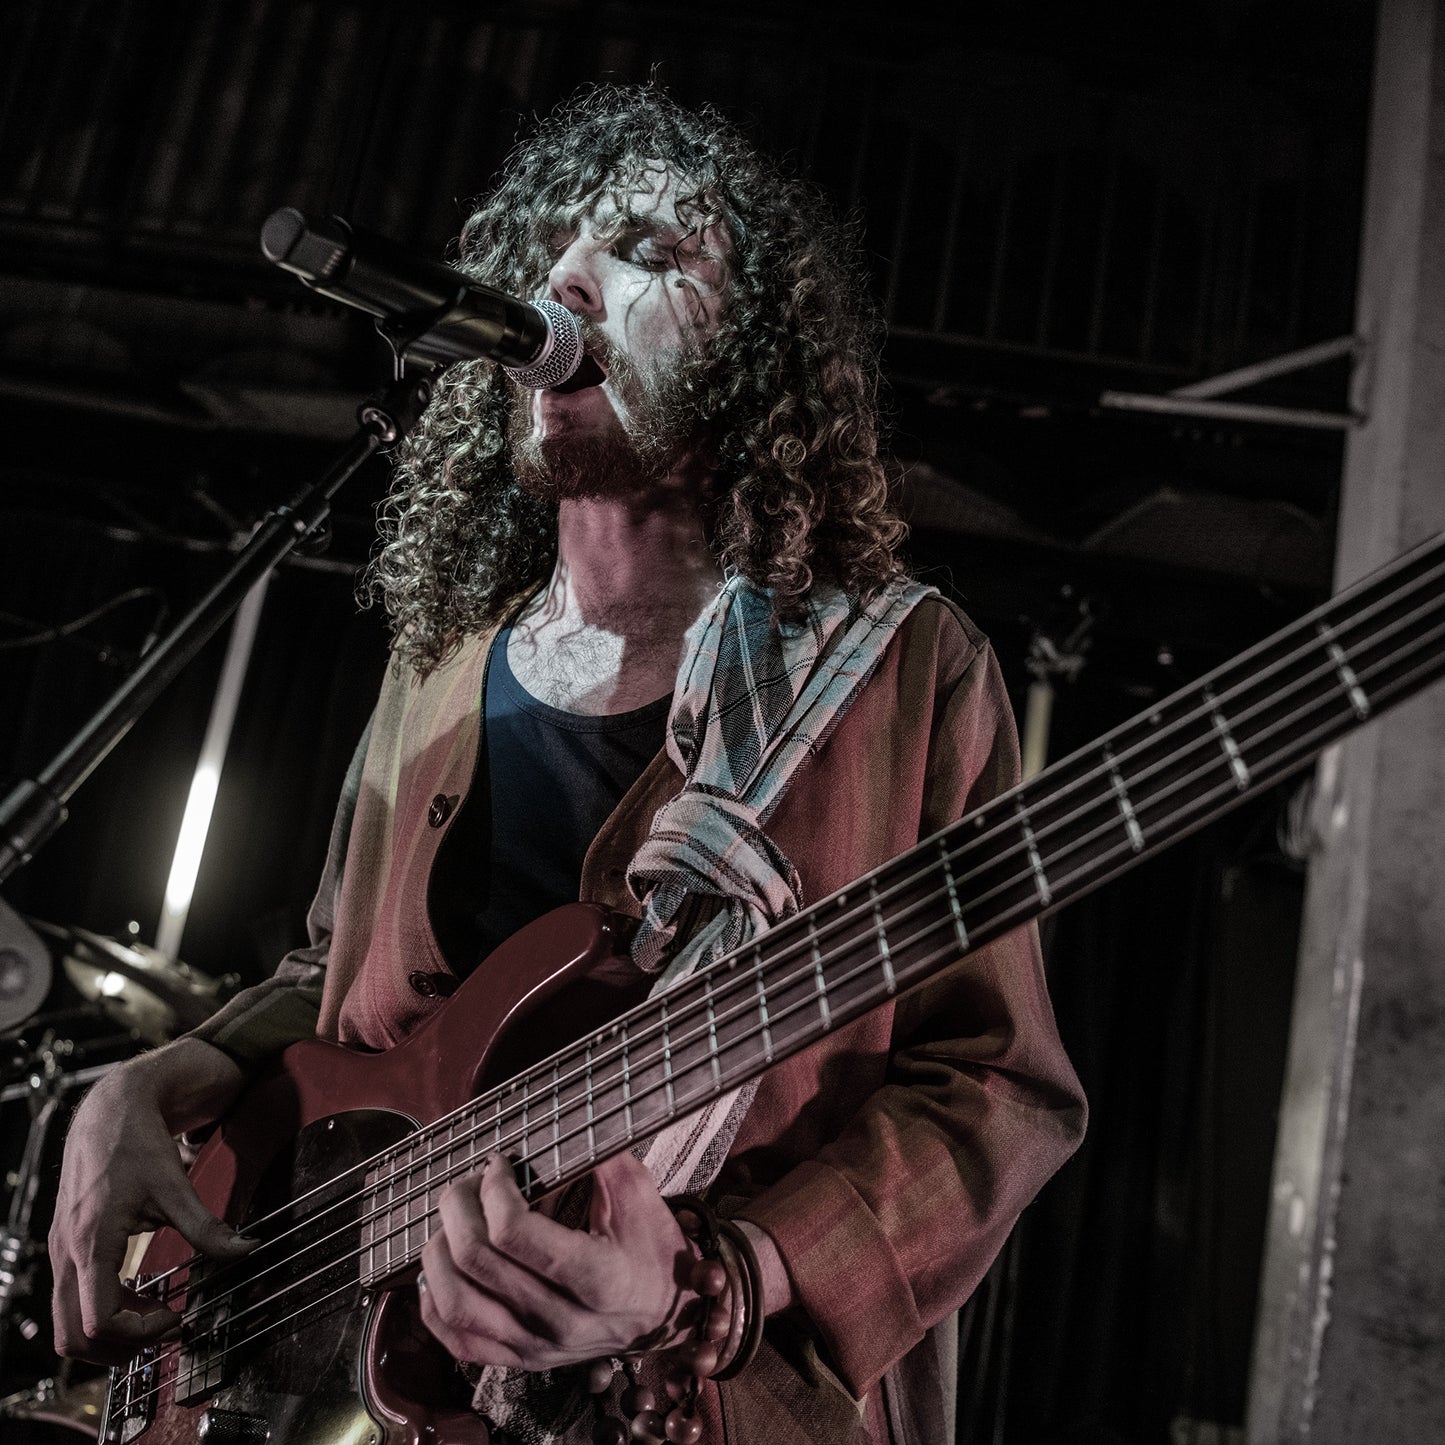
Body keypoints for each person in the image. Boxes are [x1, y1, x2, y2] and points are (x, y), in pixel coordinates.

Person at [48, 87, 1085, 1444]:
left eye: (649, 254)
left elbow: (995, 1086)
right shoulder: (439, 660)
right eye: (554, 251)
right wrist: (149, 1079)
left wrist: (719, 1281)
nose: (569, 282)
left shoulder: (901, 675)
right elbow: (335, 985)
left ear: (755, 354)